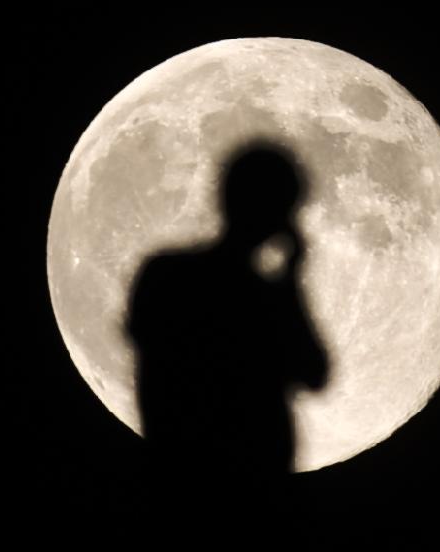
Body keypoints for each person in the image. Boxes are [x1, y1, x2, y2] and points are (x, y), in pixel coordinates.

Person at [126, 143, 328, 522]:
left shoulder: (166, 274)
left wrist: (288, 283)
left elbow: (315, 374)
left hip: (190, 483)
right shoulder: (259, 296)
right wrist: (291, 282)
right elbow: (314, 373)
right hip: (230, 490)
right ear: (285, 214)